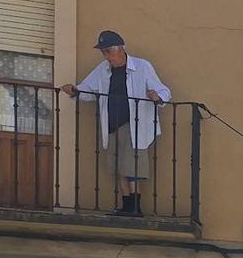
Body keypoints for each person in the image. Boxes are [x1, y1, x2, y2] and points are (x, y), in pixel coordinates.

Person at [60, 30, 171, 216]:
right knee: (119, 166)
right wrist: (74, 91)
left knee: (132, 166)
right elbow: (88, 89)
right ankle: (126, 205)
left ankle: (135, 207)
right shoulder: (103, 69)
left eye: (108, 52)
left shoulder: (142, 67)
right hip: (111, 124)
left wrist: (157, 97)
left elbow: (163, 90)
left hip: (132, 124)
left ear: (120, 50)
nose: (106, 57)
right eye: (103, 52)